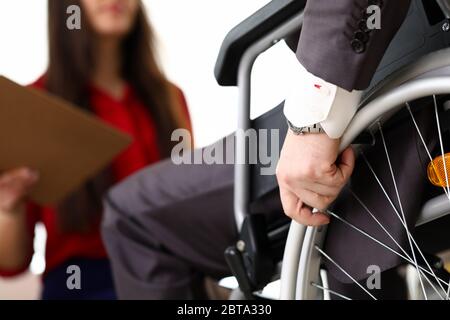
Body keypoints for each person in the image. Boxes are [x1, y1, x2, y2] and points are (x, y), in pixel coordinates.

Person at [102, 0, 449, 299]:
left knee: (132, 217)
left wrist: (311, 124)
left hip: (402, 98)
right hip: (415, 95)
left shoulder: (163, 94)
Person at [0, 0, 191, 300]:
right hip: (83, 283)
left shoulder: (169, 99)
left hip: (169, 275)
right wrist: (9, 208)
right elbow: (11, 265)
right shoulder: (34, 105)